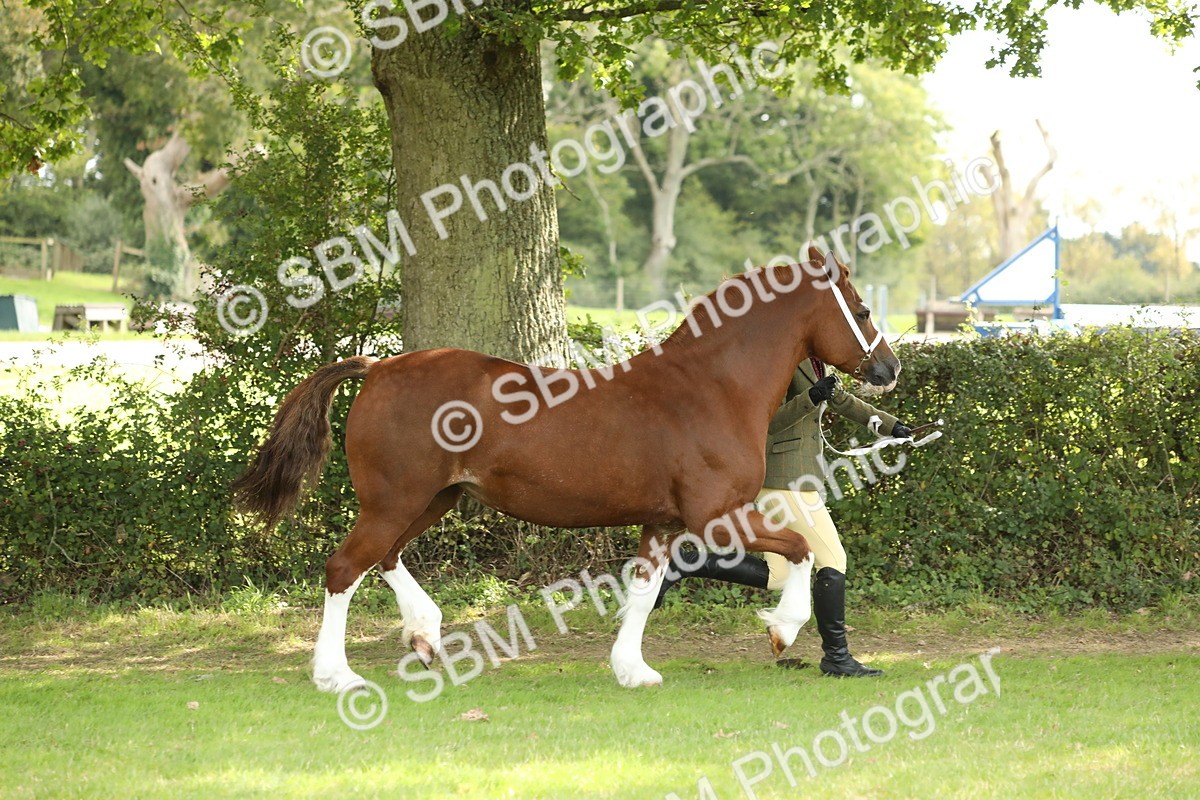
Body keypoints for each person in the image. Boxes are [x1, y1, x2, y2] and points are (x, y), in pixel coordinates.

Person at [654, 356, 912, 677]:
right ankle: (836, 658)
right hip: (786, 479)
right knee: (833, 560)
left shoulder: (817, 361)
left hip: (796, 479)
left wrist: (890, 426)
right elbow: (765, 421)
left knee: (779, 575)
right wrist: (811, 397)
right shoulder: (781, 361)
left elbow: (841, 399)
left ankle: (684, 563)